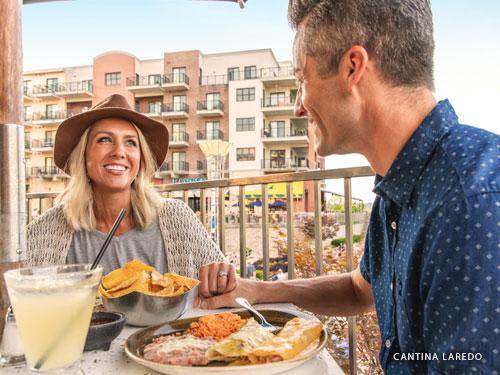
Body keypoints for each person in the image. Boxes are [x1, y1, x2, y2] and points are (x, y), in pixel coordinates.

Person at [197, 1, 499, 373]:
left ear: (352, 68)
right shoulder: (403, 181)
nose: (298, 107)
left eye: (301, 81)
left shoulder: (473, 203)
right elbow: (360, 290)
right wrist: (255, 290)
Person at [26, 94, 231, 280]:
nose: (119, 152)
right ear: (83, 156)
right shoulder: (48, 230)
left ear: (140, 161)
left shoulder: (176, 218)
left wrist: (222, 277)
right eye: (104, 139)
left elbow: (226, 284)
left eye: (131, 142)